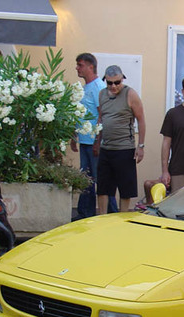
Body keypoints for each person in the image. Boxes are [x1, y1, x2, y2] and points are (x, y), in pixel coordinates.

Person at [69, 53, 117, 219]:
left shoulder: (98, 88)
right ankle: (85, 213)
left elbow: (101, 115)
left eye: (80, 65)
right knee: (86, 179)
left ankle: (113, 214)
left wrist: (98, 141)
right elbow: (81, 114)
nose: (77, 68)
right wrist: (73, 135)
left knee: (101, 180)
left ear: (91, 66)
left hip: (95, 143)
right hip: (84, 141)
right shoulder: (84, 88)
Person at [94, 65, 146, 213]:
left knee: (125, 188)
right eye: (110, 83)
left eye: (117, 82)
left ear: (122, 79)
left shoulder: (130, 94)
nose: (114, 86)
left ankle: (123, 217)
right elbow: (101, 118)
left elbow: (141, 120)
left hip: (124, 148)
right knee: (103, 187)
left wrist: (141, 146)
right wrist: (97, 141)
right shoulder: (102, 94)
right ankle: (102, 218)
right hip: (106, 148)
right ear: (105, 81)